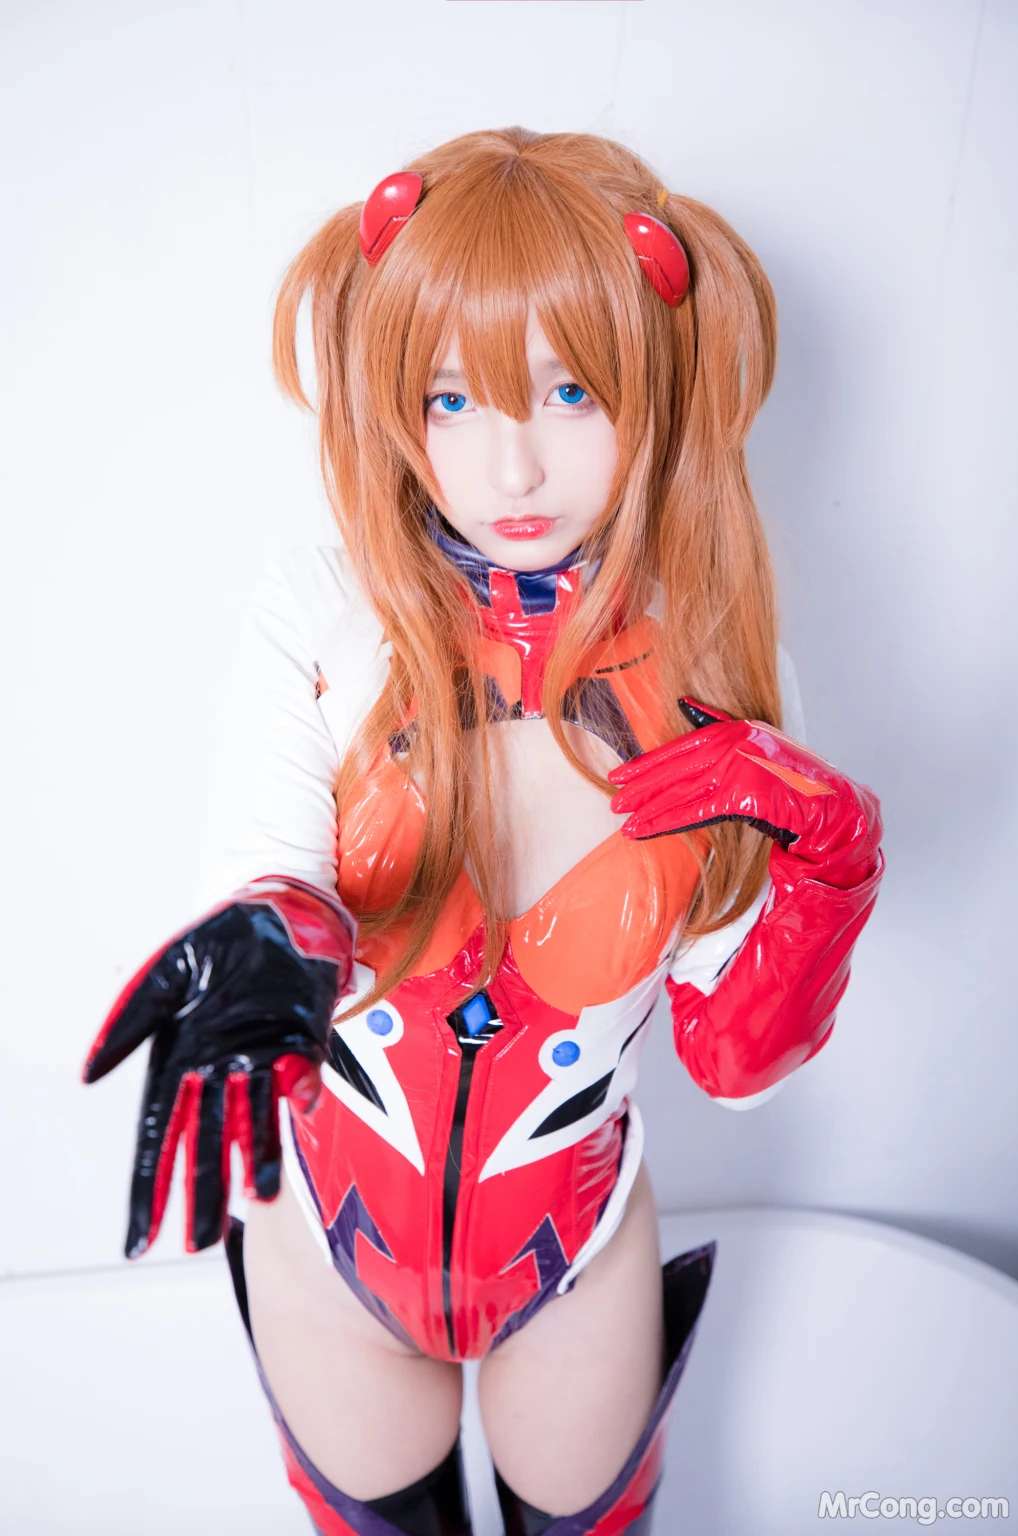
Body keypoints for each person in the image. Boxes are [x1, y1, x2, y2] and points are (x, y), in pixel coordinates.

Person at [82, 126, 886, 1536]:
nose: (513, 467)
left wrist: (833, 870)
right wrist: (272, 935)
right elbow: (267, 861)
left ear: (649, 381)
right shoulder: (324, 612)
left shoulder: (714, 654)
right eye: (451, 399)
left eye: (569, 391)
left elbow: (735, 1066)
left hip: (572, 1259)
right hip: (332, 1250)